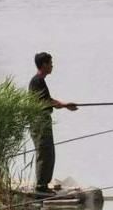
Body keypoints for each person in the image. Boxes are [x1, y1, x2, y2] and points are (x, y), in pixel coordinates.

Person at [29, 52, 77, 194]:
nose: (52, 66)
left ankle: (43, 185)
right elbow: (47, 101)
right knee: (45, 153)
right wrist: (65, 105)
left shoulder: (39, 81)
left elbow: (47, 100)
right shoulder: (37, 80)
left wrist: (65, 105)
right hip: (39, 121)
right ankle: (41, 187)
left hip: (42, 120)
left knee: (48, 153)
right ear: (44, 64)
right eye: (50, 63)